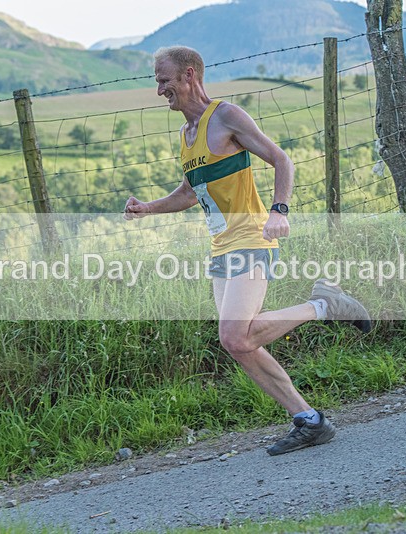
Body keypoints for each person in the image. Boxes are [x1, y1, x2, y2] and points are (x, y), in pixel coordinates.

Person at [124, 46, 371, 456]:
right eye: (157, 82)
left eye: (164, 80)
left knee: (235, 335)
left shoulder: (226, 117)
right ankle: (309, 420)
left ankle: (324, 305)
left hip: (252, 238)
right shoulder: (187, 136)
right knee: (238, 342)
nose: (159, 90)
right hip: (222, 248)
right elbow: (189, 192)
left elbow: (281, 160)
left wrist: (279, 210)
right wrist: (148, 208)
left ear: (189, 75)